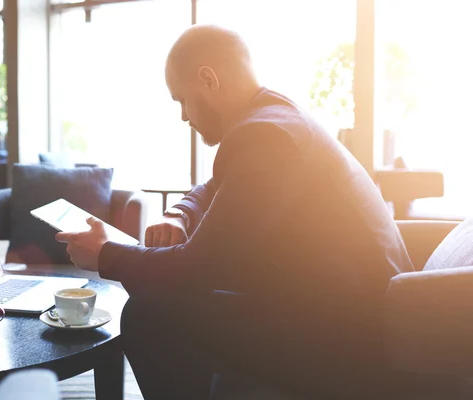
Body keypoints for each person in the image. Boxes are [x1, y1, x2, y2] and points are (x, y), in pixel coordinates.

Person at [55, 24, 414, 399]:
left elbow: (196, 270)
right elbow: (216, 187)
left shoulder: (267, 138)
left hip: (349, 340)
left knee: (148, 313)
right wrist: (180, 213)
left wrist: (105, 254)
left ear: (208, 80)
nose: (183, 116)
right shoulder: (275, 117)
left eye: (182, 100)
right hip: (343, 312)